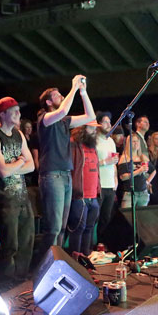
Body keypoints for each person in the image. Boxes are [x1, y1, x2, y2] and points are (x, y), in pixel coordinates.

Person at [36, 75, 96, 257]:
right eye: (57, 95)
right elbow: (62, 111)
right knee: (53, 228)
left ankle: (58, 262)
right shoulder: (44, 118)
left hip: (65, 175)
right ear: (48, 102)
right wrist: (73, 87)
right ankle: (44, 265)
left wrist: (83, 92)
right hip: (52, 175)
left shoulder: (65, 121)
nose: (61, 96)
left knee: (62, 227)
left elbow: (90, 117)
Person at [0, 97, 35, 281]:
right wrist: (21, 160)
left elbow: (32, 166)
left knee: (26, 241)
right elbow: (3, 171)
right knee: (10, 244)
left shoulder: (18, 134)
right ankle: (5, 281)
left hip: (21, 196)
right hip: (4, 198)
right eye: (14, 111)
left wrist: (16, 162)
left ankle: (20, 280)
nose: (18, 114)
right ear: (2, 114)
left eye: (18, 110)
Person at [68, 122, 101, 256]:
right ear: (82, 128)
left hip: (93, 195)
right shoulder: (73, 144)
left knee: (89, 228)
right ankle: (75, 260)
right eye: (91, 127)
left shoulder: (93, 146)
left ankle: (85, 257)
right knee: (78, 228)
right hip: (80, 195)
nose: (94, 130)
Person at [95, 112, 119, 244]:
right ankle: (90, 246)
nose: (109, 124)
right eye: (105, 121)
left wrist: (115, 178)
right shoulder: (93, 140)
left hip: (110, 184)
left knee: (106, 217)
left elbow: (113, 162)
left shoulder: (110, 141)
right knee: (95, 217)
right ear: (98, 123)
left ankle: (102, 244)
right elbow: (90, 164)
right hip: (98, 184)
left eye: (110, 121)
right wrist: (105, 162)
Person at [117, 133, 155, 208]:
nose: (136, 143)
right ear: (128, 144)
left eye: (137, 141)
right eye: (133, 141)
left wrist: (147, 181)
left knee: (141, 218)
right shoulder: (124, 158)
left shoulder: (142, 157)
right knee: (127, 217)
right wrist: (139, 171)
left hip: (143, 193)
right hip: (130, 193)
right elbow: (123, 177)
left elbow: (153, 171)